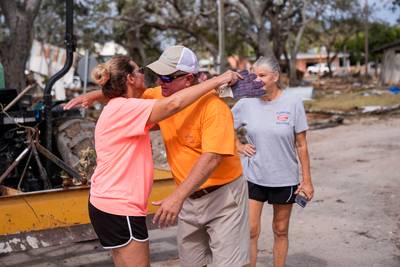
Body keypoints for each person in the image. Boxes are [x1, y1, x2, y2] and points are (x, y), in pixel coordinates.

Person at [65, 46, 251, 267]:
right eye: (157, 76)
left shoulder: (214, 108)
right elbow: (148, 98)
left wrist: (177, 197)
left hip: (222, 197)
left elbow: (211, 157)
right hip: (184, 199)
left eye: (167, 77)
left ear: (189, 79)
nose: (160, 82)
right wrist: (95, 95)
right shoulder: (160, 98)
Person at [232, 55, 314, 267]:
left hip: (284, 178)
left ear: (275, 76)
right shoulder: (246, 103)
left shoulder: (293, 102)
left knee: (280, 229)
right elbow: (222, 125)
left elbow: (302, 144)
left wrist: (307, 181)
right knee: (250, 230)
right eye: (253, 76)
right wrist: (238, 146)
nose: (256, 80)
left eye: (262, 75)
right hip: (253, 176)